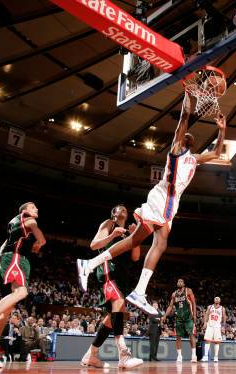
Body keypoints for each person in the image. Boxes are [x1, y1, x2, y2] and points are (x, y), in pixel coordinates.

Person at [77, 93, 227, 315]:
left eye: (189, 136)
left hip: (172, 203)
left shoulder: (194, 158)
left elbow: (216, 152)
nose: (188, 135)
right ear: (183, 139)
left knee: (161, 243)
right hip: (163, 197)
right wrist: (188, 94)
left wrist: (222, 130)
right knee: (136, 240)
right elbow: (184, 117)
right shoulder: (176, 150)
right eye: (185, 134)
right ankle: (89, 265)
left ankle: (139, 290)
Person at [0, 202, 46, 368]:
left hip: (10, 258)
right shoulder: (28, 219)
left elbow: (3, 244)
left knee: (7, 310)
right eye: (34, 207)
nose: (37, 209)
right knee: (22, 292)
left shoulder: (15, 225)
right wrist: (40, 241)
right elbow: (38, 233)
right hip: (16, 258)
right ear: (25, 211)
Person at [79, 204, 143, 370]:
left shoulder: (128, 232)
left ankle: (91, 354)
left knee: (110, 319)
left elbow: (136, 257)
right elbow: (94, 245)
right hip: (108, 272)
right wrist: (113, 234)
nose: (123, 209)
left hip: (123, 276)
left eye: (124, 208)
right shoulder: (109, 224)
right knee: (118, 304)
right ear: (113, 213)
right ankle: (124, 354)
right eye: (119, 208)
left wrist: (136, 235)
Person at [162, 279, 197, 363]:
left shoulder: (188, 290)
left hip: (188, 317)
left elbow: (193, 303)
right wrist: (165, 315)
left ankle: (193, 355)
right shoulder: (174, 294)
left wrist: (195, 315)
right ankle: (179, 356)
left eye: (181, 281)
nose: (179, 282)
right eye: (178, 282)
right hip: (179, 318)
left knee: (191, 334)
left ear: (184, 284)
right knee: (178, 336)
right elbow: (170, 306)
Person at [201, 297, 225, 362]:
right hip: (210, 325)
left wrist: (223, 326)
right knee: (207, 341)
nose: (217, 299)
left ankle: (216, 357)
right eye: (215, 298)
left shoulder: (222, 308)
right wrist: (205, 323)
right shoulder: (210, 307)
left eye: (218, 299)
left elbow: (224, 318)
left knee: (217, 342)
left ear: (220, 301)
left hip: (217, 326)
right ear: (214, 300)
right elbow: (206, 315)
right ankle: (205, 356)